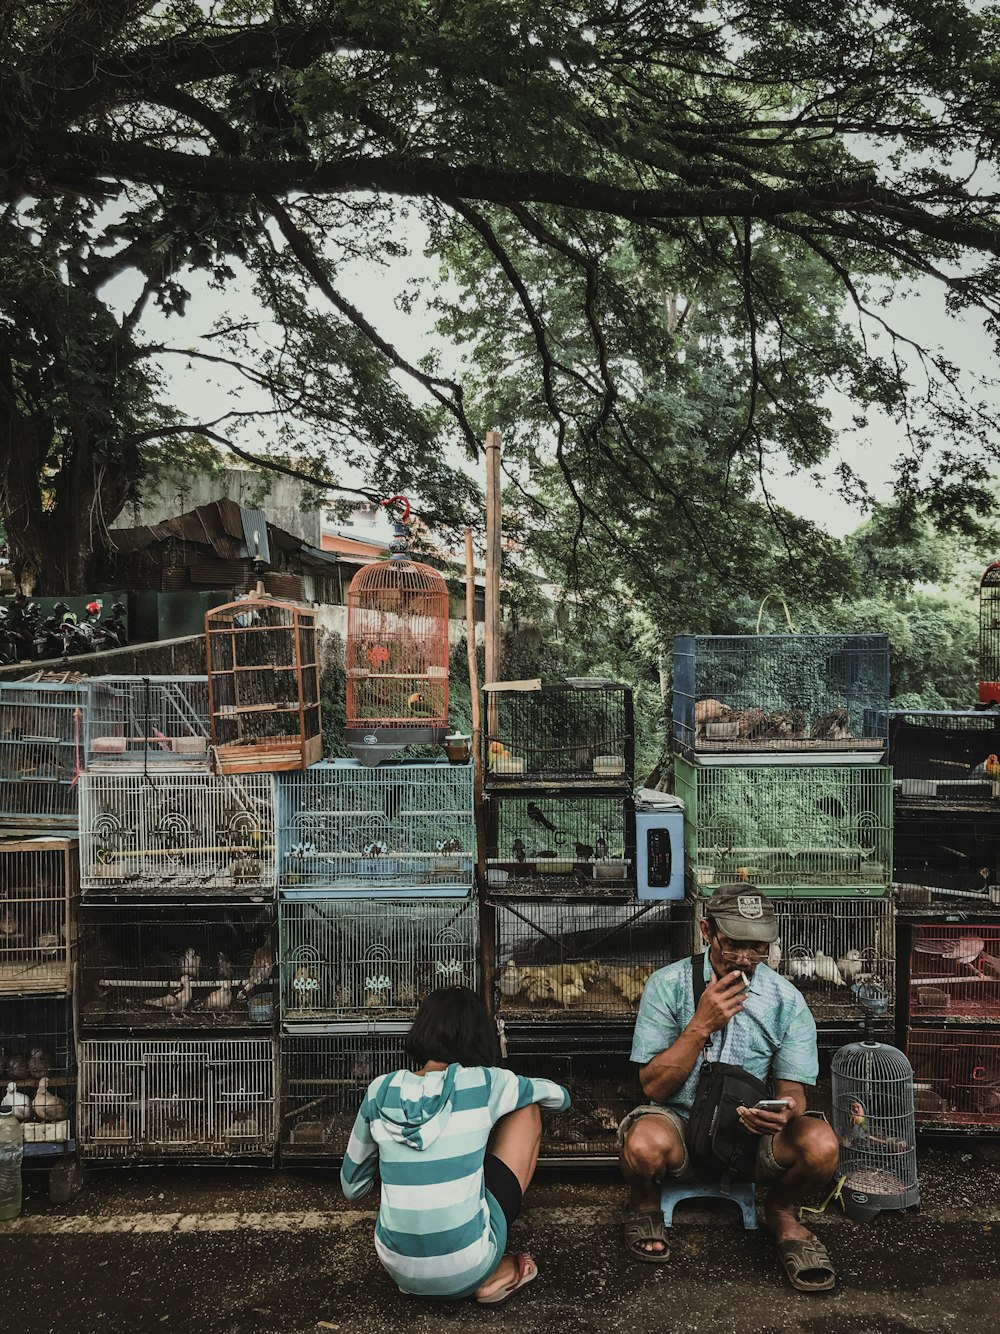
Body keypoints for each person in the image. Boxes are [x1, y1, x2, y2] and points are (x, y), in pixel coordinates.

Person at [618, 883, 840, 1292]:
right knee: (642, 1144)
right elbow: (653, 1087)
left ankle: (782, 1210)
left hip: (751, 1137)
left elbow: (795, 1093)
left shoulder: (786, 1001)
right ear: (707, 931)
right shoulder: (668, 985)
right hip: (681, 1125)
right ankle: (646, 1202)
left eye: (758, 948)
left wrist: (780, 1113)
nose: (745, 958)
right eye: (734, 944)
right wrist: (701, 1024)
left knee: (822, 1144)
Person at [340, 985, 570, 1305]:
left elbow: (353, 1187)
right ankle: (493, 1273)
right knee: (527, 1108)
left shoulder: (380, 1089)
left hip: (399, 1270)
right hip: (469, 1269)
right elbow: (560, 1097)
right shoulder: (486, 1081)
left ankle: (422, 1267)